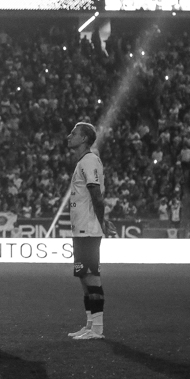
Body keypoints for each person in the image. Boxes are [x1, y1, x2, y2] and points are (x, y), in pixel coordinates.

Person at [66, 122, 111, 340]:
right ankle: (90, 324)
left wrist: (101, 222)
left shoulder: (90, 160)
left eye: (74, 133)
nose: (69, 136)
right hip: (81, 229)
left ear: (84, 139)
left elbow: (96, 194)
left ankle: (98, 328)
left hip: (89, 229)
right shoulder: (83, 162)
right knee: (84, 275)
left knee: (92, 276)